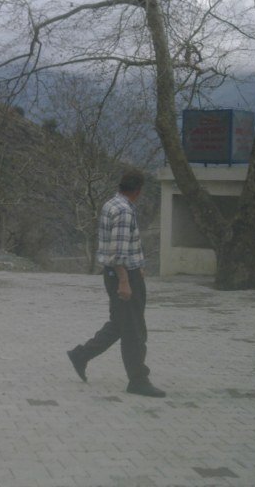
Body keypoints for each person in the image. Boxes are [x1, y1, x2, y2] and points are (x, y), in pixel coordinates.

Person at [67, 170, 166, 398]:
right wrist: (125, 281)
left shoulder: (111, 204)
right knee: (134, 330)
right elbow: (118, 251)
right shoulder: (124, 211)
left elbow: (122, 246)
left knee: (120, 324)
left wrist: (136, 266)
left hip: (119, 273)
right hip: (123, 276)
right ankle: (138, 380)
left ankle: (81, 355)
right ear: (138, 191)